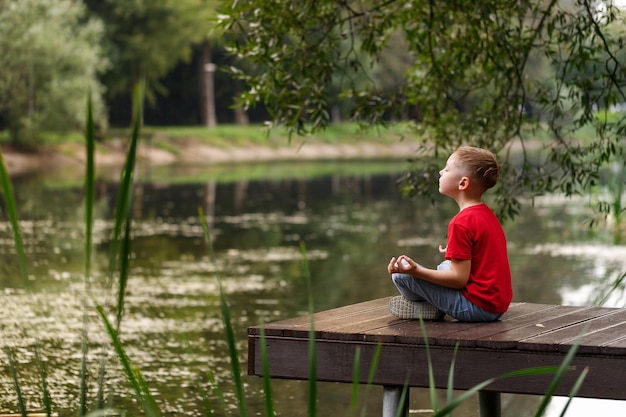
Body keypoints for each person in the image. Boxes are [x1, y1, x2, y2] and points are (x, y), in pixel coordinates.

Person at [387, 146, 512, 322]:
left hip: (477, 308)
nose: (440, 171)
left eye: (446, 169)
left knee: (401, 275)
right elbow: (484, 254)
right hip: (497, 306)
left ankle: (427, 308)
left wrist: (417, 271)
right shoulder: (486, 214)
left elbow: (458, 280)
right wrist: (454, 251)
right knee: (446, 265)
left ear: (463, 183)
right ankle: (433, 305)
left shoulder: (461, 222)